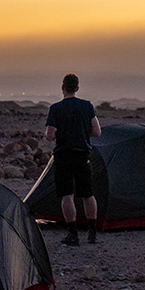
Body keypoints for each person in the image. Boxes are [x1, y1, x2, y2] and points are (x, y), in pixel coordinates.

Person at [44, 73, 102, 246]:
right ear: (77, 88)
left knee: (66, 194)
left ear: (63, 88)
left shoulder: (55, 109)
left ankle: (73, 234)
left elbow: (49, 135)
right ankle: (92, 233)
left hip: (64, 155)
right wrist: (83, 134)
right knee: (87, 193)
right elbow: (97, 131)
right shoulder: (87, 106)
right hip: (83, 154)